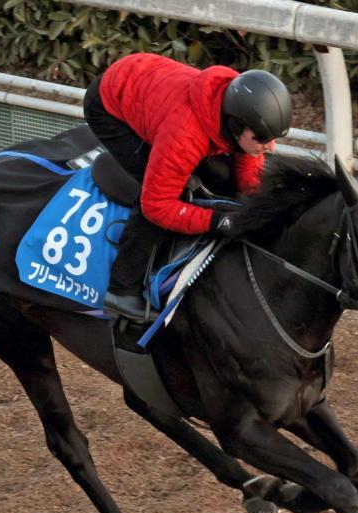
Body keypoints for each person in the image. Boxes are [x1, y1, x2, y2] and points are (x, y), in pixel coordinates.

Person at [83, 53, 293, 321]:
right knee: (173, 191)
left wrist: (255, 208)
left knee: (219, 174)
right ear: (236, 124)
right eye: (263, 137)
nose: (271, 146)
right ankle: (121, 290)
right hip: (109, 107)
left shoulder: (236, 112)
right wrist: (219, 222)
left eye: (273, 137)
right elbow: (157, 206)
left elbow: (247, 170)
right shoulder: (185, 136)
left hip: (148, 85)